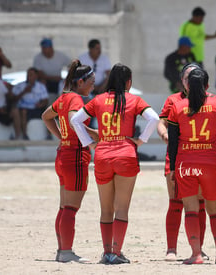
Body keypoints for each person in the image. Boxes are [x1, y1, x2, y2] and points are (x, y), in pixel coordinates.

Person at [71, 63, 159, 265]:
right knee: (122, 208)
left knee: (106, 209)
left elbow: (76, 120)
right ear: (128, 82)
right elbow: (153, 118)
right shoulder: (134, 99)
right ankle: (117, 252)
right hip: (126, 154)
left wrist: (90, 144)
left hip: (102, 154)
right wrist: (140, 140)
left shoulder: (98, 100)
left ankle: (106, 252)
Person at [167, 68, 216, 265]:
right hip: (209, 163)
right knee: (215, 212)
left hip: (186, 163)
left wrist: (172, 169)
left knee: (191, 211)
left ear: (186, 85)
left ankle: (196, 254)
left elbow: (173, 142)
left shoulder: (177, 107)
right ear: (207, 86)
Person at [41, 59, 97, 263]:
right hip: (75, 156)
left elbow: (46, 116)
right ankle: (66, 252)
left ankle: (62, 250)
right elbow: (74, 121)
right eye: (91, 80)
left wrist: (61, 136)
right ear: (80, 81)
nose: (93, 84)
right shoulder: (75, 100)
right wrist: (93, 136)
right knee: (71, 208)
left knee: (64, 207)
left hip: (63, 153)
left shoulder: (64, 98)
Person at [158, 62, 208, 262]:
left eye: (194, 77)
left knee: (200, 204)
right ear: (182, 81)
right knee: (175, 202)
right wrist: (165, 135)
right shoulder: (173, 100)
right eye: (187, 78)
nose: (190, 81)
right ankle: (171, 248)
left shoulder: (209, 101)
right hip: (176, 156)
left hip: (199, 158)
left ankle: (199, 248)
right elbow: (161, 123)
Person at [12, 67, 48, 140]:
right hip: (22, 108)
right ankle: (22, 135)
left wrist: (40, 104)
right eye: (28, 75)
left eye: (31, 75)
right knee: (20, 111)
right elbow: (13, 99)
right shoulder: (20, 86)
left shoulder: (41, 86)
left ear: (36, 76)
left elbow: (45, 100)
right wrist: (24, 92)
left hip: (36, 109)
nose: (29, 77)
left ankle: (49, 135)